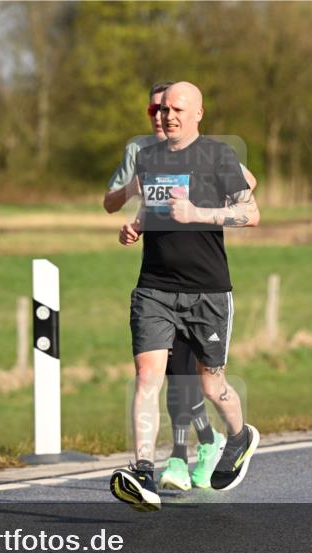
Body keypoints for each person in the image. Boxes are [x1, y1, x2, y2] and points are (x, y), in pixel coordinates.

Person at [110, 81, 261, 511]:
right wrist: (136, 225)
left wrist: (200, 214)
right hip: (154, 288)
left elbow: (250, 213)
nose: (166, 116)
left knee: (212, 386)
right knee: (147, 379)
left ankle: (240, 437)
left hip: (208, 292)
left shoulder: (218, 156)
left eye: (176, 109)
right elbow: (153, 204)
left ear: (198, 113)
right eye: (161, 110)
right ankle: (143, 473)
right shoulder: (149, 157)